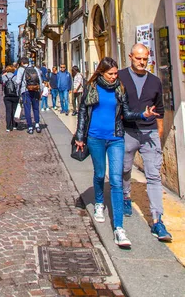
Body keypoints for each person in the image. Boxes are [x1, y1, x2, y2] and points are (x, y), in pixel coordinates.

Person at [74, 57, 158, 248]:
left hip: (116, 138)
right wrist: (80, 136)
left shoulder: (120, 88)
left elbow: (126, 113)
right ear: (101, 72)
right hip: (95, 137)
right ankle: (98, 203)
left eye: (115, 73)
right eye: (110, 74)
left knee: (116, 180)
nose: (114, 77)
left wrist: (143, 115)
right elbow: (83, 112)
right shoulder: (92, 87)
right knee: (99, 174)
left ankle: (119, 229)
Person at [119, 43, 172, 242]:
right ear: (130, 56)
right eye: (138, 58)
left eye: (145, 59)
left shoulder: (155, 81)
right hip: (128, 132)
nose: (142, 62)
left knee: (154, 176)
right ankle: (125, 196)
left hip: (149, 133)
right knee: (125, 169)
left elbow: (159, 107)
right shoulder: (121, 77)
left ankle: (157, 220)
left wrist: (158, 130)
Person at [14, 57, 43, 134]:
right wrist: (41, 91)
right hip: (35, 90)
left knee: (27, 109)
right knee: (36, 108)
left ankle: (30, 126)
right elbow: (40, 80)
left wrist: (18, 92)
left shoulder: (20, 69)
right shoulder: (35, 68)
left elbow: (18, 82)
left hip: (25, 91)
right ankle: (37, 125)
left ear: (22, 63)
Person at [2, 65, 19, 132]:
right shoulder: (16, 77)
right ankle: (15, 125)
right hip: (15, 95)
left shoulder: (4, 77)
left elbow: (3, 85)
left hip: (7, 96)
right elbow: (17, 86)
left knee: (8, 111)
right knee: (14, 110)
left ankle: (8, 127)